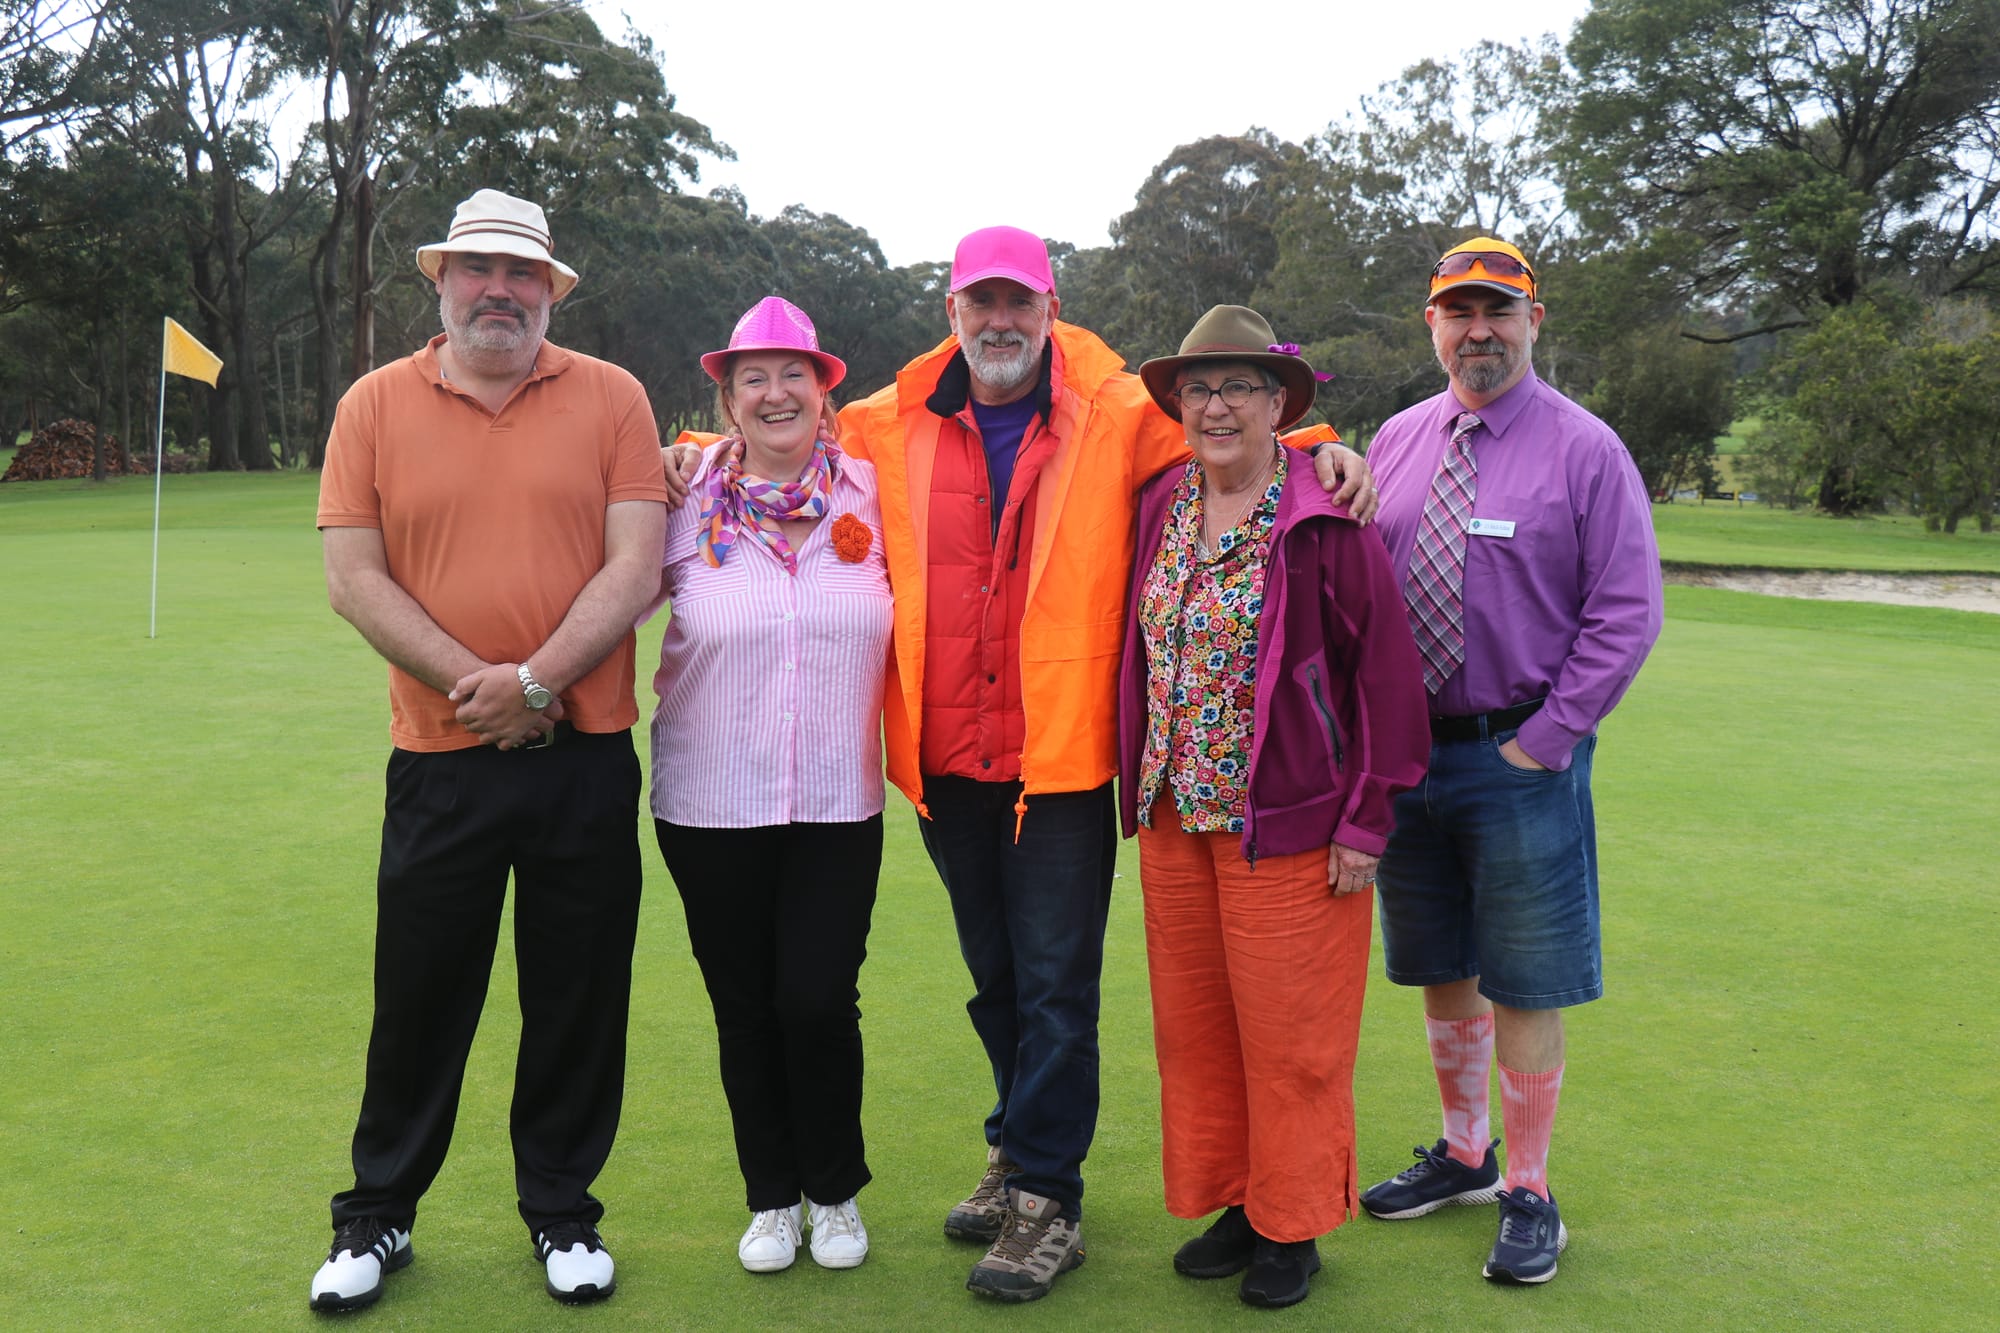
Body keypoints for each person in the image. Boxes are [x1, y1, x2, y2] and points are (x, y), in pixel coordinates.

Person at [829, 227, 1378, 1303]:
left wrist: (1324, 446)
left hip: (1064, 766)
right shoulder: (884, 421)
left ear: (1048, 307)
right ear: (951, 310)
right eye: (978, 303)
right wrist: (687, 454)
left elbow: (1235, 429)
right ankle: (1012, 1145)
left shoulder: (1115, 407)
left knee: (1057, 991)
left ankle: (1048, 1199)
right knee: (997, 985)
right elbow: (781, 437)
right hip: (947, 765)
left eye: (1017, 304)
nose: (998, 323)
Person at [310, 188, 668, 1312]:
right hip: (440, 750)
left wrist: (534, 683)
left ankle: (561, 1213)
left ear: (549, 291)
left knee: (575, 995)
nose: (499, 291)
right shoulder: (372, 404)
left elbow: (634, 566)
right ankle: (377, 1218)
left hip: (581, 749)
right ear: (441, 281)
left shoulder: (613, 398)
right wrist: (484, 693)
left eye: (520, 275)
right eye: (477, 270)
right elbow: (352, 579)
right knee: (419, 994)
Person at [1357, 237, 1663, 1285]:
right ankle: (1462, 1152)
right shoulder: (1396, 439)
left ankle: (1528, 1185)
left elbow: (1623, 613)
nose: (1476, 330)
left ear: (1534, 318)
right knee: (1440, 964)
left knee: (1524, 978)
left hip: (1518, 750)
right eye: (1458, 312)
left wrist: (1546, 738)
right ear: (1430, 324)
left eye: (1498, 310)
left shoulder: (1584, 449)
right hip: (1409, 758)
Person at [1114, 307, 1431, 1309]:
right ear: (1175, 404)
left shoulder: (1322, 517)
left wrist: (1367, 817)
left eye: (1239, 388)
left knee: (1292, 1038)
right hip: (1174, 814)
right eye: (1199, 388)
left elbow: (1383, 677)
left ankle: (1292, 1225)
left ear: (1275, 404)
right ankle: (1238, 1201)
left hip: (1290, 820)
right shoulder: (1157, 501)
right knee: (1200, 1030)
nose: (1215, 405)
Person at [642, 297, 894, 1275]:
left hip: (836, 796)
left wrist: (1306, 441)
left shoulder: (875, 494)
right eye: (754, 376)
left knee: (819, 998)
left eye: (796, 373)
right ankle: (771, 1198)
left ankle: (832, 1190)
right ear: (727, 396)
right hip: (707, 802)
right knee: (744, 1004)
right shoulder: (680, 497)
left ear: (826, 391)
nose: (776, 390)